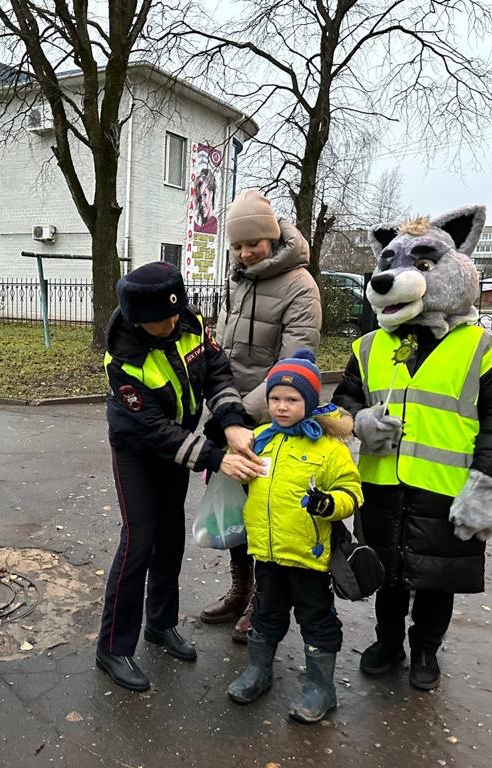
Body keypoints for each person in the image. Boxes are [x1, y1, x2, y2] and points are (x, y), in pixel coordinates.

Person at [333, 206, 492, 691]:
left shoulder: (483, 347)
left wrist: (486, 486)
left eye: (422, 264)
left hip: (445, 489)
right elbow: (346, 399)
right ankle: (388, 642)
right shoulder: (370, 345)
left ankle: (426, 651)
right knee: (387, 574)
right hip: (382, 484)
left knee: (436, 579)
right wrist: (360, 422)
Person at [96, 261, 263, 692]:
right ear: (137, 320)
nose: (172, 324)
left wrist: (230, 421)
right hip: (137, 449)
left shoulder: (190, 322)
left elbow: (217, 373)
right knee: (139, 539)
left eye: (175, 314)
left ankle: (161, 623)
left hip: (180, 440)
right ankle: (113, 646)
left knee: (170, 536)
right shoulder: (123, 358)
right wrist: (214, 458)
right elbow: (151, 428)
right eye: (160, 321)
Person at [203, 189, 321, 643]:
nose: (245, 251)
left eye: (253, 242)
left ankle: (262, 603)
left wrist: (237, 413)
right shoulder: (237, 278)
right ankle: (240, 586)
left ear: (271, 236)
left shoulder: (300, 287)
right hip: (228, 410)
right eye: (237, 245)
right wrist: (219, 403)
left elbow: (292, 369)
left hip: (272, 418)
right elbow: (221, 346)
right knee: (233, 508)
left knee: (265, 511)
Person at [227, 349, 361, 723]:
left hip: (309, 555)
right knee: (266, 613)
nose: (282, 407)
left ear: (310, 401)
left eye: (292, 399)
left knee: (315, 617)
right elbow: (236, 468)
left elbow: (352, 492)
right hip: (266, 552)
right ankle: (258, 671)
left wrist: (328, 504)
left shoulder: (329, 448)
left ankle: (321, 687)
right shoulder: (260, 438)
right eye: (275, 399)